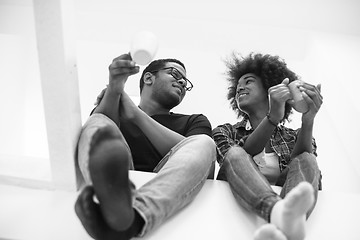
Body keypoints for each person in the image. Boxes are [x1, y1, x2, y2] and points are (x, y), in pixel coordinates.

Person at [75, 53, 216, 239]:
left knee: (205, 142)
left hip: (167, 180)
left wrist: (135, 114)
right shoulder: (115, 110)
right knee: (98, 120)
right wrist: (115, 87)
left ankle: (136, 216)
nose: (183, 82)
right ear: (148, 77)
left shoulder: (194, 120)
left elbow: (203, 162)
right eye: (175, 74)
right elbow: (99, 124)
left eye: (186, 82)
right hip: (123, 176)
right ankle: (108, 196)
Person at [212, 52, 323, 240]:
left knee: (307, 158)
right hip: (238, 193)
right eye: (237, 86)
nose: (240, 89)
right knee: (236, 153)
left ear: (270, 87)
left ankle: (287, 220)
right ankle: (278, 214)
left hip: (286, 192)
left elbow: (303, 164)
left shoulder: (294, 135)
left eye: (248, 82)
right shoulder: (225, 131)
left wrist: (308, 119)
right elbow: (238, 157)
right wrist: (273, 117)